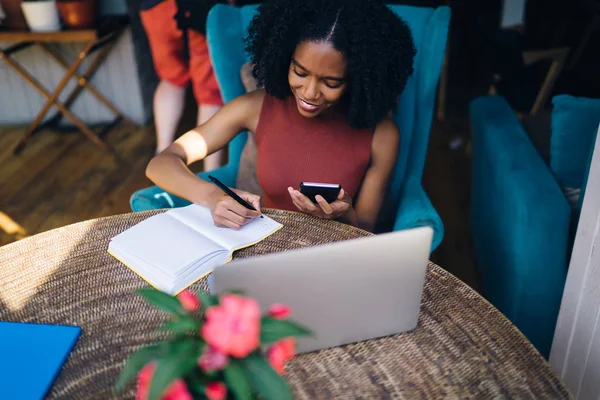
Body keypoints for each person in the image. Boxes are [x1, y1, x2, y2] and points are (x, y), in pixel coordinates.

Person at [146, 0, 416, 232]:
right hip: (264, 249)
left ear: (358, 79)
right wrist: (212, 196)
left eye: (331, 83)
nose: (310, 93)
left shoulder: (381, 135)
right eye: (300, 72)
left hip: (333, 260)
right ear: (283, 57)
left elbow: (366, 228)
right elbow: (161, 163)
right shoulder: (255, 107)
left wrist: (343, 215)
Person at [139, 0, 225, 170]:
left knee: (171, 78)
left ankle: (162, 159)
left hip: (155, 6)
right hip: (203, 7)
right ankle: (212, 175)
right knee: (210, 92)